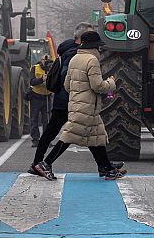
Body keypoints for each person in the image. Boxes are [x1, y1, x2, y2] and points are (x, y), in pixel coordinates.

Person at [33, 31, 126, 181]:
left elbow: (67, 85)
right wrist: (111, 83)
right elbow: (97, 86)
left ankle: (107, 168)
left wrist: (79, 92)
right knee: (70, 136)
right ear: (95, 47)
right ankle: (46, 164)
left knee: (96, 136)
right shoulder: (92, 60)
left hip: (77, 103)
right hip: (87, 105)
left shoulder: (75, 59)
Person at [28, 54, 52, 147]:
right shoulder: (35, 68)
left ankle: (46, 140)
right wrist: (41, 79)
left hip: (47, 97)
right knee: (34, 119)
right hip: (36, 97)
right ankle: (35, 139)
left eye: (48, 60)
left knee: (47, 120)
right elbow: (32, 81)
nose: (46, 62)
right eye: (45, 60)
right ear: (41, 60)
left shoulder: (52, 69)